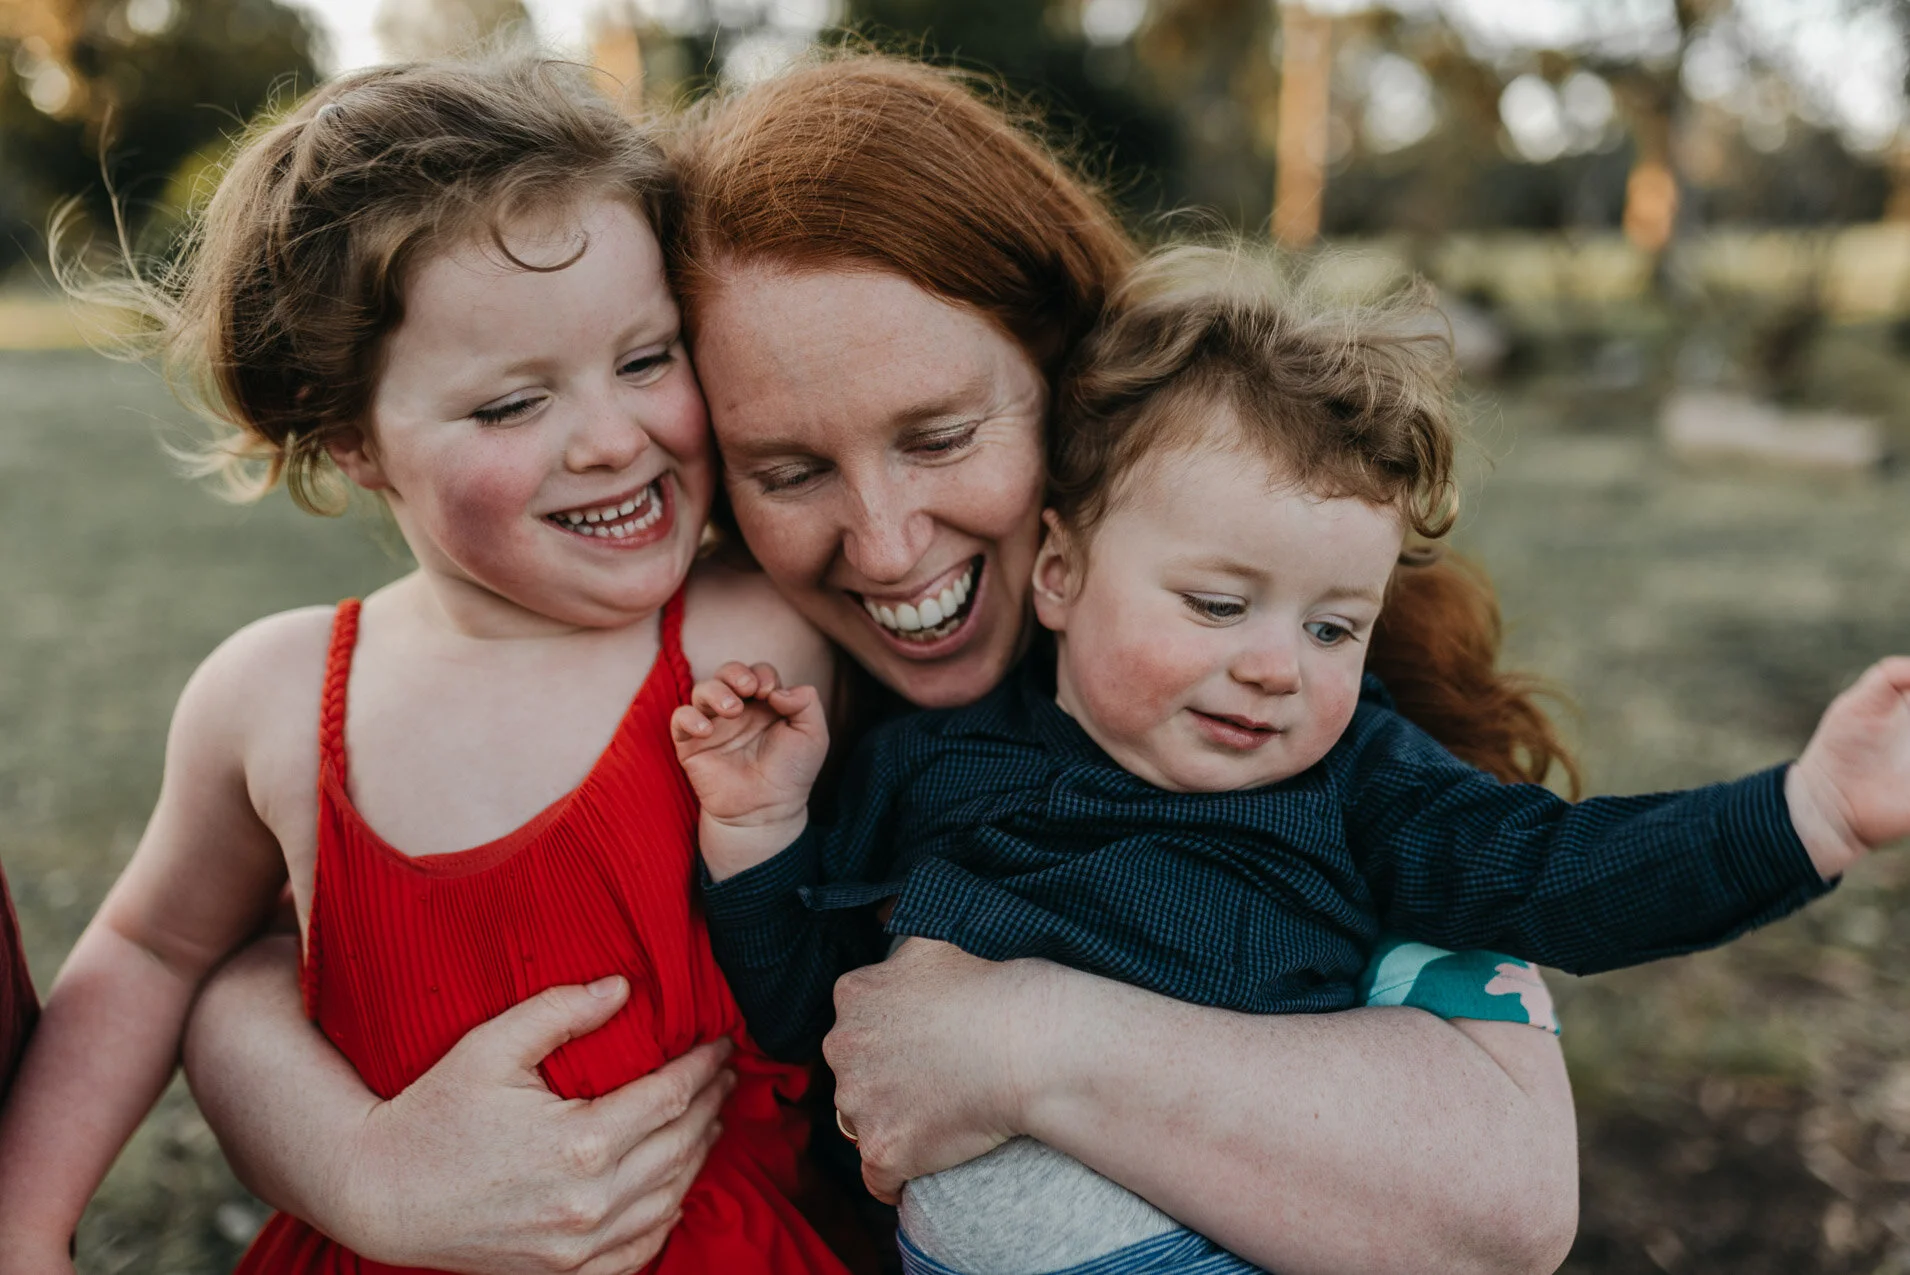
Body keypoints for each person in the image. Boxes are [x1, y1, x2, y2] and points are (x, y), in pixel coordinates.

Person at [183, 54, 1639, 1275]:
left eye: (940, 437)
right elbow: (247, 951)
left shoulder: (1259, 692)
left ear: (1076, 386)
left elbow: (1505, 1196)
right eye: (786, 466)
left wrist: (1027, 1041)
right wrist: (359, 1169)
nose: (884, 548)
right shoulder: (723, 679)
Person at [671, 242, 1909, 1275]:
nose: (1276, 667)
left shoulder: (1360, 786)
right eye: (1217, 606)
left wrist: (1806, 813)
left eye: (1331, 628)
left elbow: (1567, 874)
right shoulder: (925, 763)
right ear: (1058, 572)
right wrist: (755, 832)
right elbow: (819, 1015)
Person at [0, 57, 851, 1275]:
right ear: (349, 436)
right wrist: (26, 1230)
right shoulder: (275, 697)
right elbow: (154, 949)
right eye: (509, 406)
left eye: (646, 358)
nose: (612, 439)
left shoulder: (759, 630)